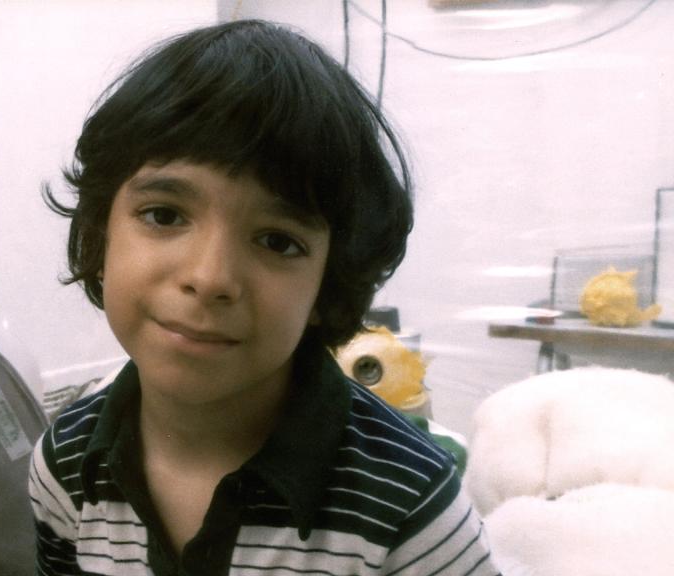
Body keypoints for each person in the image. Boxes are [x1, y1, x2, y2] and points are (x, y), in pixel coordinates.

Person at [30, 19, 499, 576]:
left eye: (278, 241)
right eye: (164, 214)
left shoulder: (409, 505)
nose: (209, 277)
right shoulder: (65, 461)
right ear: (100, 233)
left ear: (328, 285)